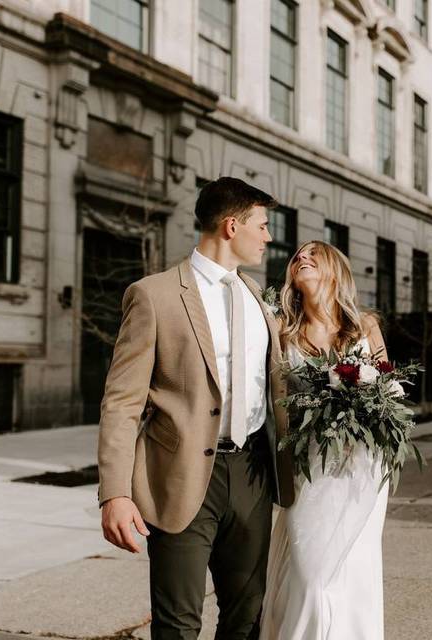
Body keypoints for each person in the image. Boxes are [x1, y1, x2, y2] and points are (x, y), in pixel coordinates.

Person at [97, 177, 295, 639]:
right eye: (262, 226)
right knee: (177, 626)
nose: (268, 237)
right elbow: (122, 401)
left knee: (247, 618)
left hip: (253, 473)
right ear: (231, 226)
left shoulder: (257, 300)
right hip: (179, 476)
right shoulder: (154, 295)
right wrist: (115, 493)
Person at [260, 240, 388, 640]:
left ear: (334, 268)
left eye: (313, 254)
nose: (302, 258)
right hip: (310, 465)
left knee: (353, 567)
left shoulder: (365, 325)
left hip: (363, 468)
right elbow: (274, 399)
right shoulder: (282, 329)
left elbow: (388, 388)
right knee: (310, 572)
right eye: (297, 256)